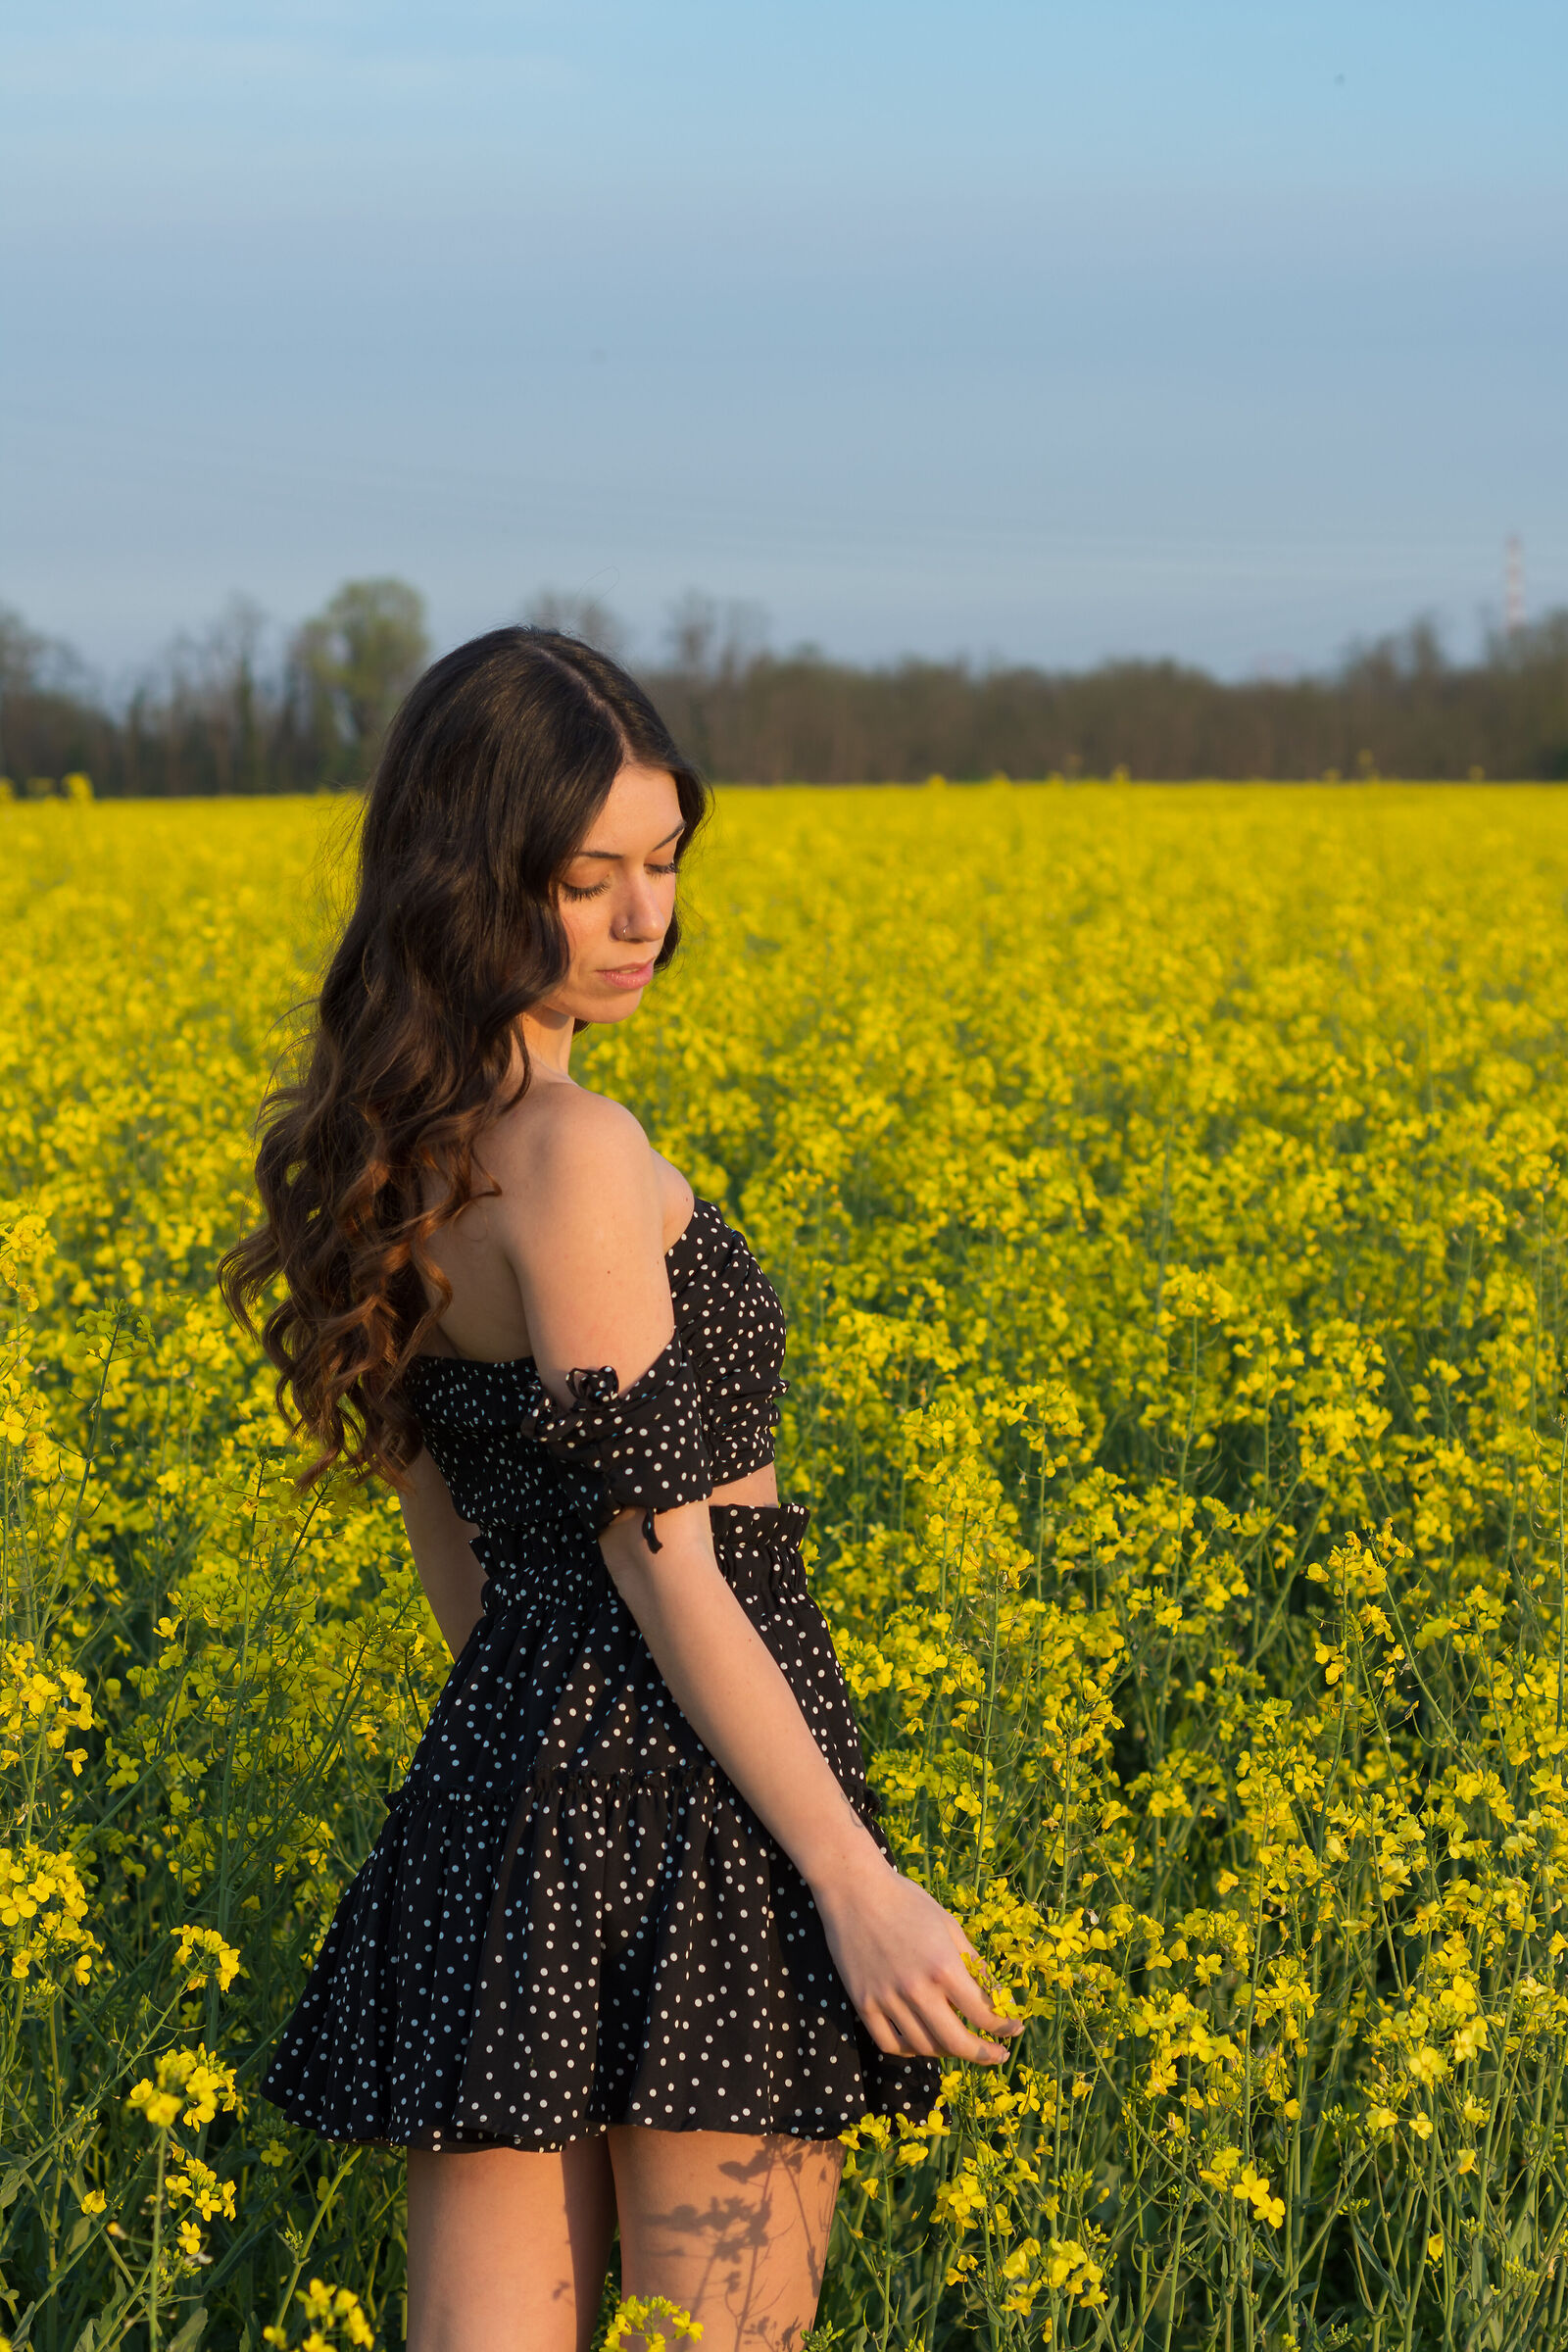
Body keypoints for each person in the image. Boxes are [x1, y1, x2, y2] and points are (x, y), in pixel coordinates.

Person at [220, 629, 1020, 2352]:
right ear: (472, 881)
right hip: (702, 1798)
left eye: (663, 866)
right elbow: (664, 1553)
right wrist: (849, 1879)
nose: (644, 920)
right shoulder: (579, 1154)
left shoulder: (401, 1162)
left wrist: (525, 1782)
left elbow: (461, 1555)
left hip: (501, 1786)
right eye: (590, 882)